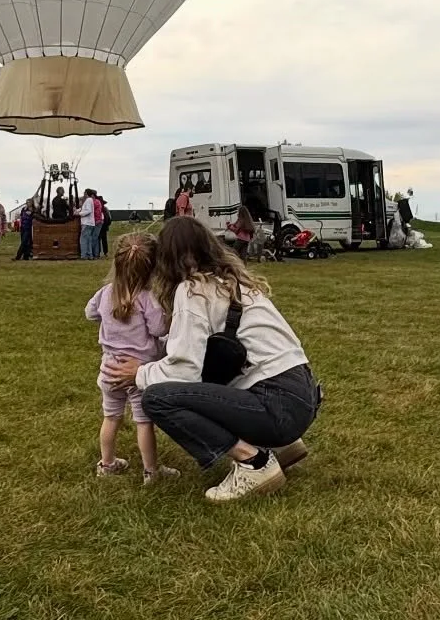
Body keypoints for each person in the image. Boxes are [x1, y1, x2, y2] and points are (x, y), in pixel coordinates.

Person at [107, 216, 319, 504]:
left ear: (166, 260)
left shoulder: (192, 289)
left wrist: (140, 373)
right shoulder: (235, 281)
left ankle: (253, 462)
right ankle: (281, 446)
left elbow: (184, 369)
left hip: (277, 404)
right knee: (216, 365)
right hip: (302, 394)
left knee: (158, 398)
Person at [86, 232, 177, 484]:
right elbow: (160, 330)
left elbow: (89, 313)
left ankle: (107, 464)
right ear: (152, 268)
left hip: (109, 370)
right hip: (137, 374)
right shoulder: (148, 299)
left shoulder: (105, 293)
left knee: (111, 417)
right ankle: (151, 471)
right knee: (144, 422)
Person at [79, 188, 103, 260]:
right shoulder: (94, 201)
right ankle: (91, 255)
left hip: (90, 222)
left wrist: (79, 213)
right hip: (93, 222)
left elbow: (88, 211)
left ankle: (86, 255)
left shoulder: (90, 201)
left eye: (84, 193)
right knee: (90, 239)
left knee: (86, 239)